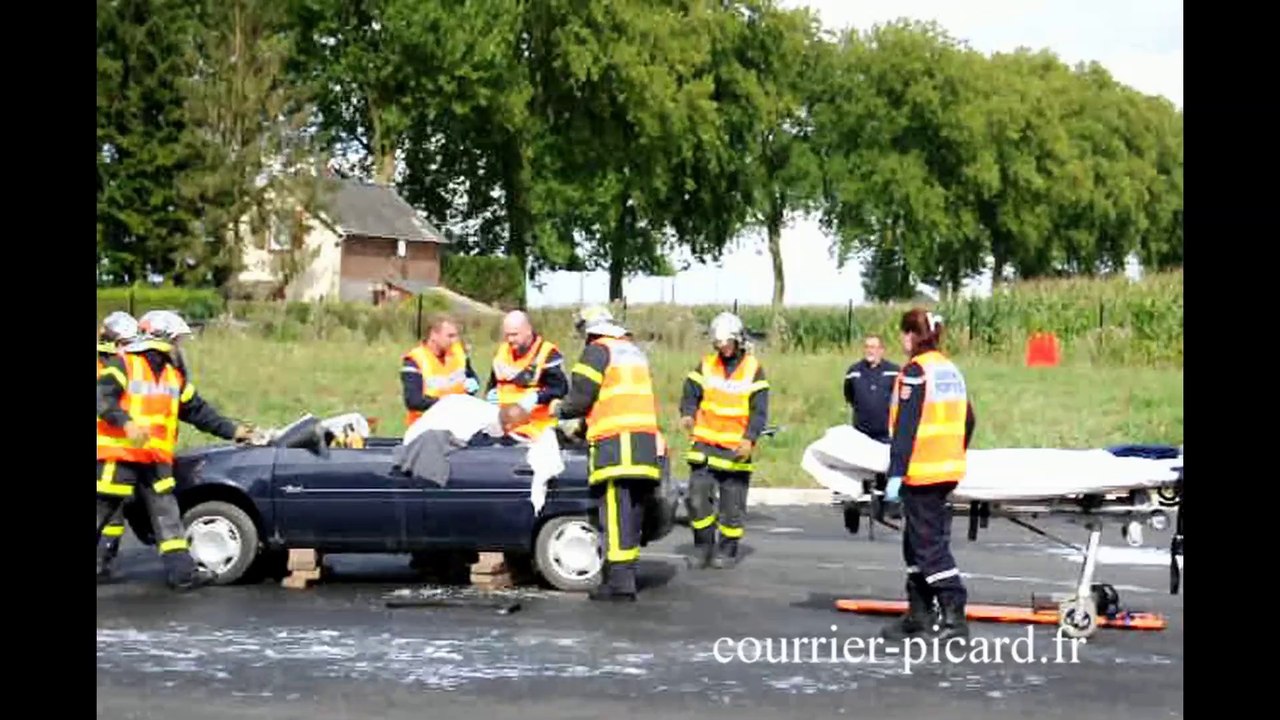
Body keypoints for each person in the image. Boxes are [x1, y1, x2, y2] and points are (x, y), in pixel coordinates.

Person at [96, 310, 254, 590]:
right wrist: (126, 423)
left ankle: (182, 574)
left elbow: (198, 411)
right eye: (177, 340)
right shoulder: (124, 365)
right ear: (162, 339)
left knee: (167, 516)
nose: (179, 347)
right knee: (101, 513)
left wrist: (235, 431)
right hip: (120, 457)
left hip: (154, 460)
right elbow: (101, 398)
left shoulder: (172, 376)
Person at [540, 305, 664, 602]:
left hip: (616, 445)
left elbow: (581, 397)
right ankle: (626, 575)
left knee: (616, 511)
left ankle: (619, 584)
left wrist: (559, 408)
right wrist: (583, 427)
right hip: (642, 443)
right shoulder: (631, 350)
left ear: (589, 329)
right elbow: (615, 400)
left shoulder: (597, 350)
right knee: (631, 512)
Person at [879, 309, 977, 642]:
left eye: (904, 333)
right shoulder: (950, 370)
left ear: (912, 335)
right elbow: (969, 420)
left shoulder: (916, 372)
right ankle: (918, 614)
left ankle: (954, 613)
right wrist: (955, 452)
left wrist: (894, 476)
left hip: (922, 474)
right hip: (946, 469)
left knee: (928, 546)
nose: (902, 340)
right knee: (915, 544)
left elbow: (905, 431)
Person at [679, 312, 769, 570]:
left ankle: (727, 549)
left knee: (732, 506)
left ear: (738, 341)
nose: (722, 349)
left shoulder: (753, 368)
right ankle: (703, 546)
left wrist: (750, 439)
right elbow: (690, 393)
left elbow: (759, 409)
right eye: (718, 344)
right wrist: (687, 413)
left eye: (726, 343)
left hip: (735, 449)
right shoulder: (706, 365)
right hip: (705, 446)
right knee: (697, 501)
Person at [97, 311, 141, 580]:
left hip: (112, 448)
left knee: (112, 512)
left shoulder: (116, 364)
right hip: (106, 447)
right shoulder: (115, 366)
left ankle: (103, 560)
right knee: (107, 509)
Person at [485, 310, 569, 440]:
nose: (510, 340)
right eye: (507, 335)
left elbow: (560, 389)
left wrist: (536, 397)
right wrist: (491, 394)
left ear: (528, 330)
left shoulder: (547, 353)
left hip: (537, 427)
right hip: (505, 426)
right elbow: (494, 382)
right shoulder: (502, 352)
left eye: (514, 335)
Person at [843, 334, 901, 516]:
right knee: (862, 468)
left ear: (881, 350)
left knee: (886, 467)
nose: (870, 350)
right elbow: (849, 396)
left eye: (874, 347)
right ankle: (860, 502)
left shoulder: (894, 371)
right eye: (867, 346)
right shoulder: (854, 371)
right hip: (862, 431)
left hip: (886, 431)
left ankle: (889, 503)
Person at [401, 314, 481, 427]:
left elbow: (471, 378)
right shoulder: (415, 360)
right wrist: (447, 403)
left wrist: (474, 384)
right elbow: (413, 401)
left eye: (456, 336)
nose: (455, 340)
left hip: (458, 424)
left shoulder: (458, 353)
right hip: (426, 426)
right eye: (450, 336)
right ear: (434, 335)